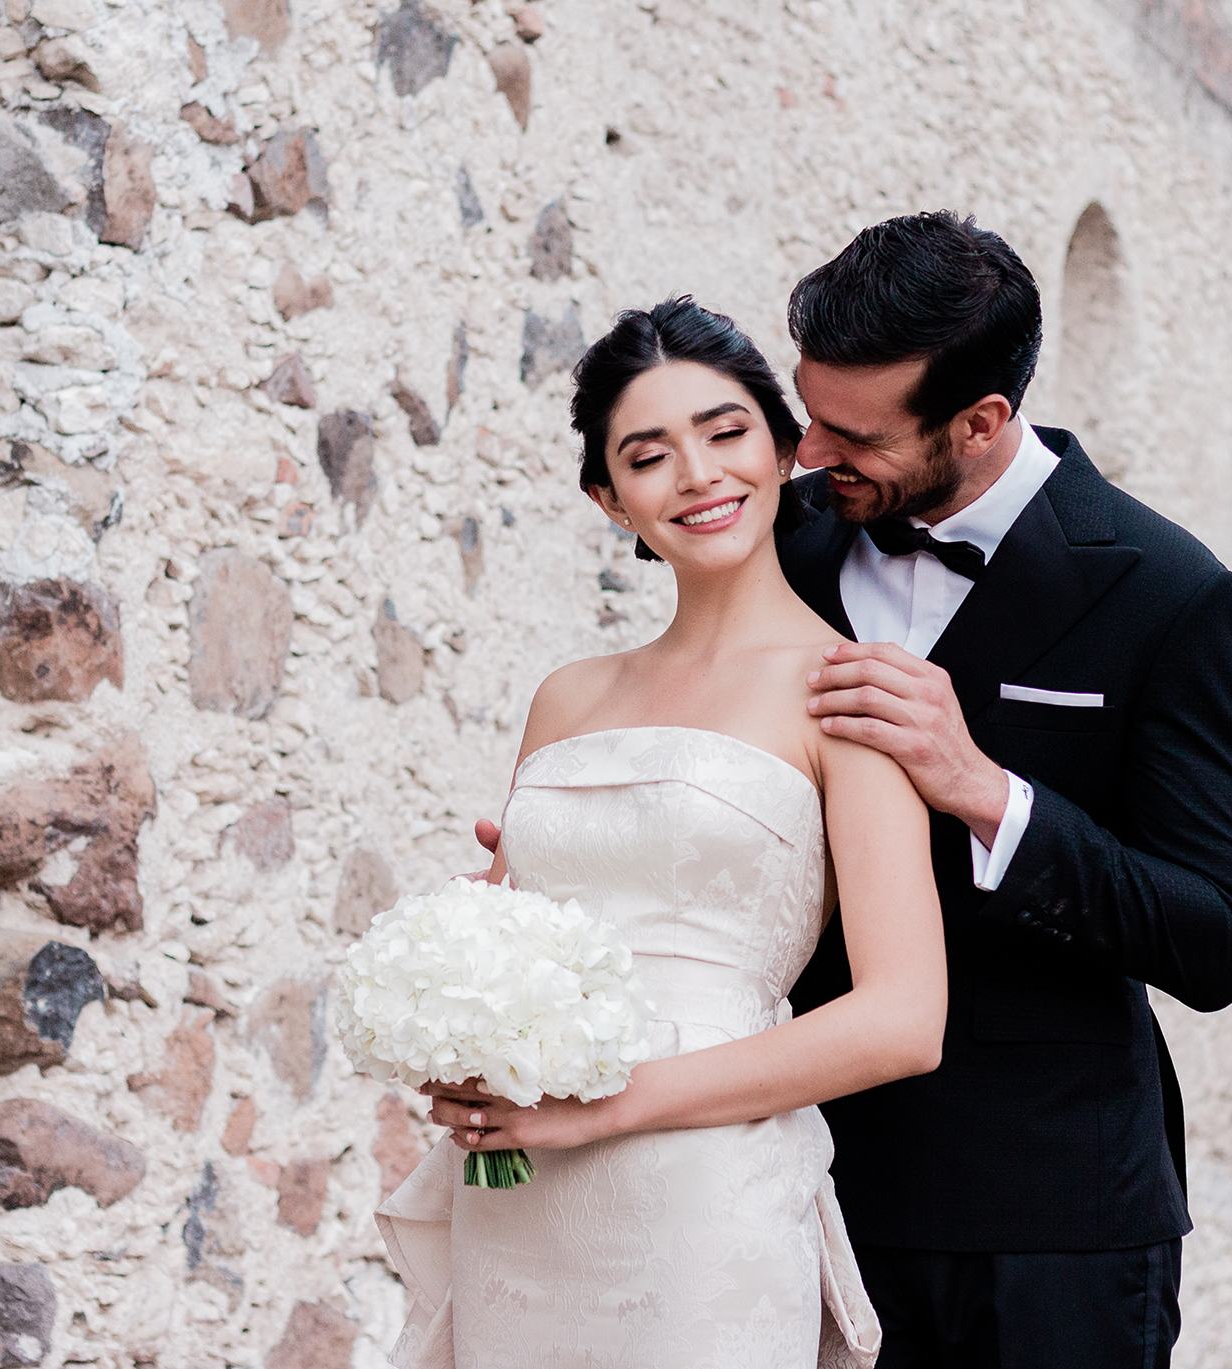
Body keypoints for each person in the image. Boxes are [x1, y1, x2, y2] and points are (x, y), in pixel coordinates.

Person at [377, 297, 948, 1369]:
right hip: (522, 1194)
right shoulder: (566, 697)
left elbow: (902, 1020)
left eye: (725, 433)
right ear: (607, 496)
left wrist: (609, 1108)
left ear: (785, 451)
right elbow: (512, 948)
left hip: (701, 1199)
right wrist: (456, 1029)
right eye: (648, 455)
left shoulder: (851, 693)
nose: (696, 474)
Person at [775, 212, 1232, 1365]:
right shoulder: (780, 547)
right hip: (797, 1191)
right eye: (808, 415)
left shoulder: (1168, 593)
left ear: (981, 421)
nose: (806, 454)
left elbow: (1215, 938)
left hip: (1049, 1237)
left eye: (850, 435)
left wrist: (987, 793)